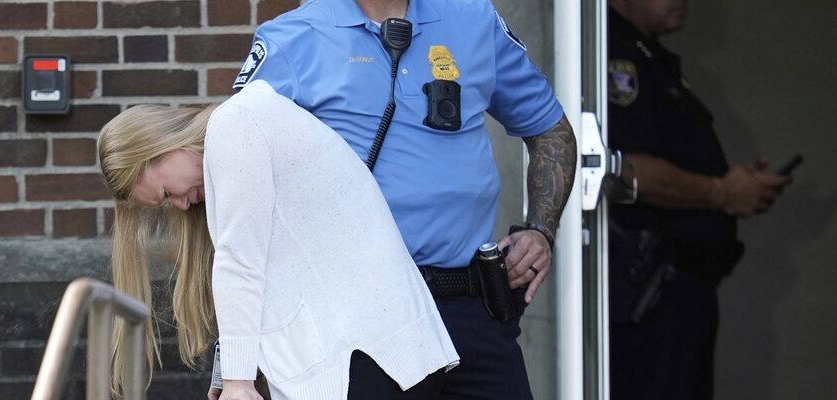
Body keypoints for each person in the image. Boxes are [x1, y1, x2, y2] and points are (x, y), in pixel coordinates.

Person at [226, 1, 577, 399]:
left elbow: (550, 128)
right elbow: (238, 178)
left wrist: (540, 230)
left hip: (471, 305)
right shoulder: (292, 37)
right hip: (360, 319)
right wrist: (236, 364)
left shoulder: (473, 17)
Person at [98, 80, 460, 400]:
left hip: (361, 363)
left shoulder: (234, 125)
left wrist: (238, 381)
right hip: (380, 356)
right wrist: (232, 368)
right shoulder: (248, 122)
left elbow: (240, 264)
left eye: (165, 193)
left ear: (160, 144)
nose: (179, 204)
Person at [606, 1, 790, 399]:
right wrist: (722, 193)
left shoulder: (649, 55)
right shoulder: (613, 52)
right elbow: (626, 169)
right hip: (648, 293)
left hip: (679, 291)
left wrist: (734, 185)